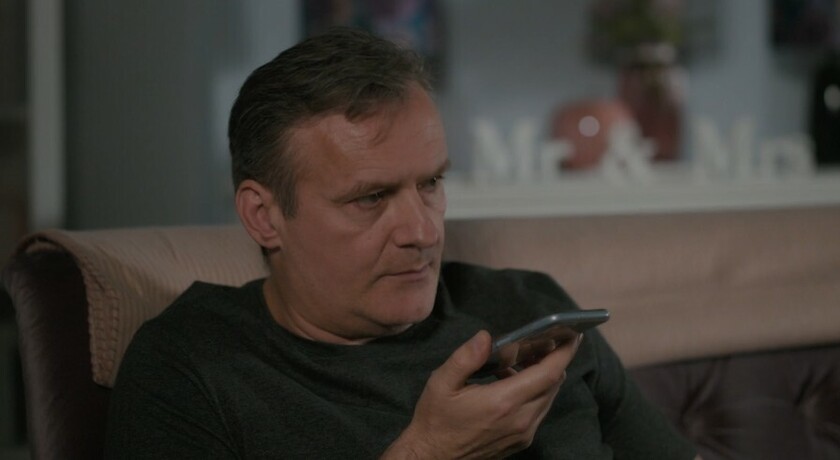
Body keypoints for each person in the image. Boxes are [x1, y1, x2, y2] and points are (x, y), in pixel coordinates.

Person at [106, 27, 698, 459]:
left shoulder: (530, 310)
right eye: (370, 198)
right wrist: (428, 452)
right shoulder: (190, 368)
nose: (424, 232)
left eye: (431, 184)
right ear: (263, 217)